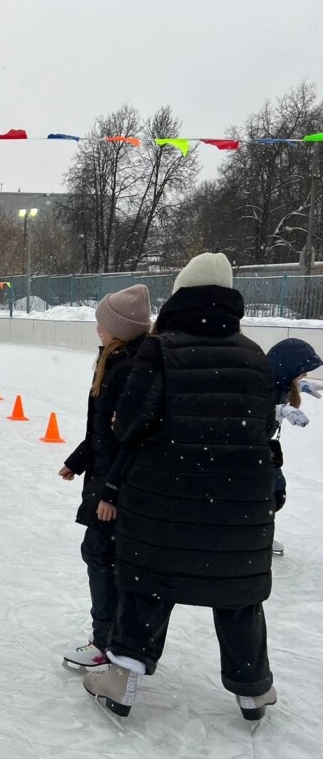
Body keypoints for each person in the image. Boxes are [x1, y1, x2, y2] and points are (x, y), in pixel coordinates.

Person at [83, 252, 278, 722]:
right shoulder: (253, 354)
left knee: (148, 584)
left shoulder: (162, 348)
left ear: (181, 295)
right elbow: (265, 426)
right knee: (237, 593)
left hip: (164, 496)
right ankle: (253, 690)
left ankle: (123, 679)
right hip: (239, 501)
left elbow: (129, 423)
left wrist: (122, 421)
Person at [58, 285, 150, 669]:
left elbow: (129, 438)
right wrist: (78, 459)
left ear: (119, 329)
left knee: (102, 556)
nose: (98, 328)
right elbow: (104, 429)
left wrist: (110, 493)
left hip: (115, 485)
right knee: (104, 556)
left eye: (103, 322)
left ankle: (107, 642)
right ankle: (115, 640)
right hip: (106, 476)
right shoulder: (117, 361)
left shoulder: (127, 367)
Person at [265, 338, 322, 556]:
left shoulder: (280, 381)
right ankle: (252, 535)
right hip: (248, 448)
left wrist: (297, 386)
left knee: (276, 492)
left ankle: (258, 533)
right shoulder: (263, 382)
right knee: (268, 494)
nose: (306, 375)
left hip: (262, 446)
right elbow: (252, 410)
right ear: (288, 365)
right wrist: (280, 410)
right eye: (303, 370)